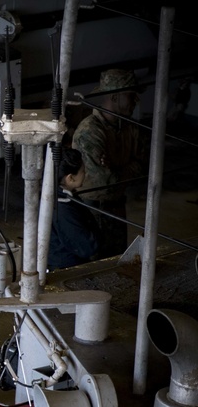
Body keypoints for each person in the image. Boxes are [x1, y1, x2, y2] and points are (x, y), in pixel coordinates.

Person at [71, 69, 146, 259]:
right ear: (114, 97)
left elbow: (143, 167)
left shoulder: (129, 128)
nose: (136, 100)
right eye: (131, 95)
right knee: (94, 263)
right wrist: (124, 169)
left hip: (117, 207)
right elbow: (105, 182)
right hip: (93, 210)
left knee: (118, 260)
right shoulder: (90, 132)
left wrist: (115, 167)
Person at [48, 147, 101, 270]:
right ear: (70, 178)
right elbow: (86, 247)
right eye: (83, 171)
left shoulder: (53, 194)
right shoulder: (63, 208)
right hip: (66, 269)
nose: (85, 174)